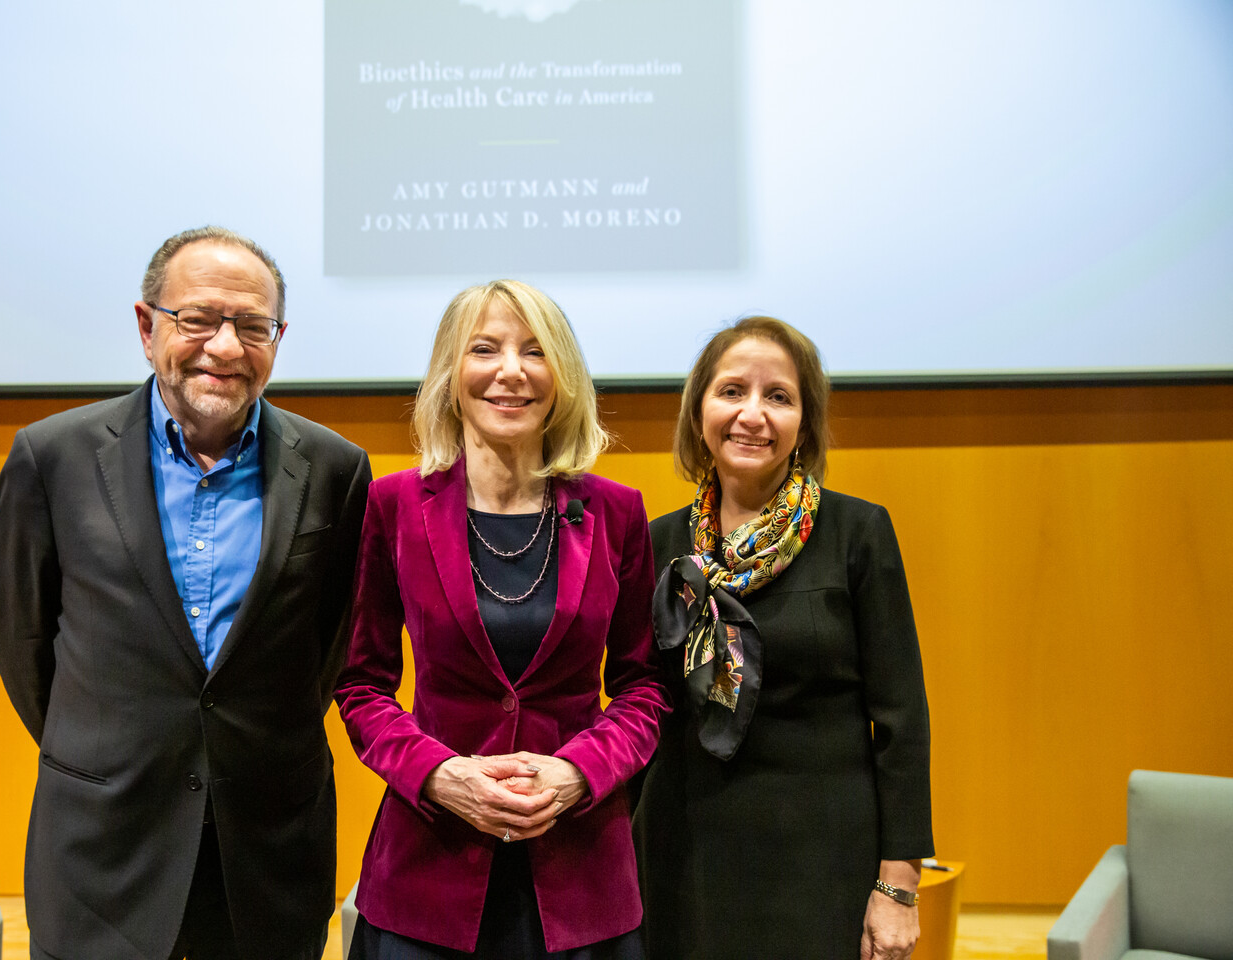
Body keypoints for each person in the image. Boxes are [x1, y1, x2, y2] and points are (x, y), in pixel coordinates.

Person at [0, 226, 372, 960]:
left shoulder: (334, 468)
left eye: (252, 326)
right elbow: (24, 639)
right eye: (197, 318)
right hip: (102, 843)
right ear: (146, 325)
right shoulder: (53, 457)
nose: (225, 347)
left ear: (277, 338)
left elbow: (328, 647)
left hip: (265, 848)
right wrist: (114, 744)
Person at [335, 280, 670, 959]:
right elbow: (362, 686)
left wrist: (577, 774)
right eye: (484, 349)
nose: (510, 371)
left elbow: (645, 687)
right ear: (451, 375)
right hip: (427, 874)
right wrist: (440, 776)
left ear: (562, 376)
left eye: (534, 351)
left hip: (580, 880)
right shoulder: (392, 506)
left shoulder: (618, 512)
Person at [633, 316, 934, 960]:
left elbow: (902, 717)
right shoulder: (656, 543)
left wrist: (899, 883)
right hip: (683, 856)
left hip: (822, 861)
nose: (752, 414)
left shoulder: (857, 533)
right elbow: (640, 709)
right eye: (732, 391)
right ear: (698, 412)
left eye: (779, 397)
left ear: (805, 423)